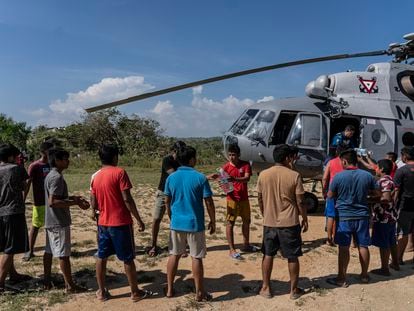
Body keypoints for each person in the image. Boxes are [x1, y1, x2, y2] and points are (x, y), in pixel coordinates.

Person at [90, 144, 150, 302]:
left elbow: (94, 203)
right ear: (115, 157)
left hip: (103, 223)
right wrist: (138, 219)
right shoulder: (120, 172)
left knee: (101, 257)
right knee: (128, 258)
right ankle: (135, 292)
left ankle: (102, 292)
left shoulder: (96, 176)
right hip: (120, 223)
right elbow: (127, 199)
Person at [257, 144, 308, 300]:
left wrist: (265, 213)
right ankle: (293, 290)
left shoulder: (263, 174)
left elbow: (260, 198)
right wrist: (304, 217)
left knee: (268, 254)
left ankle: (266, 288)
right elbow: (300, 201)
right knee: (292, 256)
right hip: (289, 222)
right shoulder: (294, 175)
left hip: (270, 221)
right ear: (288, 158)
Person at [164, 146, 216, 302]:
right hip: (195, 223)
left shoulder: (171, 178)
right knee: (196, 257)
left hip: (177, 223)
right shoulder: (200, 177)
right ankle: (200, 292)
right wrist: (213, 220)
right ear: (192, 159)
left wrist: (171, 216)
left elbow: (167, 200)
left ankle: (169, 289)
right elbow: (209, 202)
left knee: (174, 255)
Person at [327, 149, 379, 287]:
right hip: (362, 216)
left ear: (344, 161)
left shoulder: (338, 177)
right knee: (363, 246)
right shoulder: (367, 176)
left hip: (344, 217)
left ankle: (341, 278)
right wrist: (366, 197)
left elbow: (330, 195)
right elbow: (377, 193)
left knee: (344, 248)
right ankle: (364, 275)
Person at [43, 148, 90, 293]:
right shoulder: (56, 177)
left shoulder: (51, 175)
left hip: (51, 220)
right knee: (63, 254)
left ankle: (47, 280)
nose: (68, 161)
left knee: (49, 251)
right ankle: (70, 286)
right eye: (65, 158)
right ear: (57, 160)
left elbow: (57, 198)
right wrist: (75, 203)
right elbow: (54, 202)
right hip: (58, 221)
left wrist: (74, 199)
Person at [214, 144, 255, 259]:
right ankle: (232, 249)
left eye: (234, 155)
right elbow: (221, 181)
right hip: (232, 199)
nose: (231, 157)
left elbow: (247, 178)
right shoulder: (225, 168)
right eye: (230, 155)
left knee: (247, 221)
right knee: (230, 223)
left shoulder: (245, 165)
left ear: (238, 155)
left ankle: (246, 244)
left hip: (244, 199)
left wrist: (234, 179)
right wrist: (222, 183)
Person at [148, 141, 186, 257]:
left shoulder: (181, 162)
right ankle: (153, 245)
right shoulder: (167, 160)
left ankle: (180, 246)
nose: (180, 155)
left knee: (176, 220)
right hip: (163, 192)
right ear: (173, 151)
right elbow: (174, 175)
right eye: (178, 152)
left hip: (176, 193)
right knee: (157, 219)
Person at [0, 144, 30, 292]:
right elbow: (24, 186)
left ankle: (13, 274)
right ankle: (0, 283)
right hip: (13, 211)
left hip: (1, 212)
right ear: (11, 156)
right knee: (10, 249)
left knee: (6, 245)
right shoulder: (17, 169)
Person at [23, 141, 54, 261]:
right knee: (36, 226)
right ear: (43, 152)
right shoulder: (34, 166)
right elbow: (28, 184)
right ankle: (29, 251)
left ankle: (51, 250)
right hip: (39, 202)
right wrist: (23, 199)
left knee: (51, 226)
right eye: (50, 150)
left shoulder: (52, 165)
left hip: (51, 201)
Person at [371, 159, 399, 275]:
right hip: (391, 216)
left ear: (381, 169)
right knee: (391, 241)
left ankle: (384, 269)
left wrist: (370, 199)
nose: (375, 169)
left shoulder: (384, 181)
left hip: (383, 217)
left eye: (376, 167)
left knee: (384, 244)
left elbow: (386, 198)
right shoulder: (391, 180)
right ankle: (395, 263)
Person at [394, 146, 414, 265]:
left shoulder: (402, 170)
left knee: (403, 233)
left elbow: (396, 190)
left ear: (405, 156)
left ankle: (399, 259)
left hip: (405, 205)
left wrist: (392, 205)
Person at [322, 146, 344, 246]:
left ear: (336, 152)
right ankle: (338, 238)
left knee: (331, 215)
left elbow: (325, 178)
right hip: (343, 191)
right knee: (341, 215)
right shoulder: (346, 163)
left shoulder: (331, 162)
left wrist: (324, 190)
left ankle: (329, 239)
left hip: (332, 190)